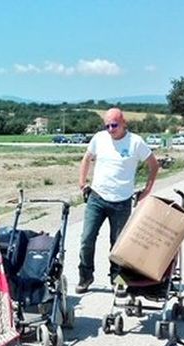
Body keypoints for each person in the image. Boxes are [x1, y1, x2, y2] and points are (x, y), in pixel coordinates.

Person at [76, 108, 159, 294]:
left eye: (114, 125)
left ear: (124, 124)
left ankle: (118, 279)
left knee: (119, 245)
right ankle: (85, 276)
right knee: (86, 239)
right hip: (97, 197)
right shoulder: (99, 138)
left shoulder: (136, 142)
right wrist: (82, 183)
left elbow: (154, 165)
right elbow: (87, 158)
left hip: (122, 202)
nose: (111, 129)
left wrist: (147, 190)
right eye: (107, 126)